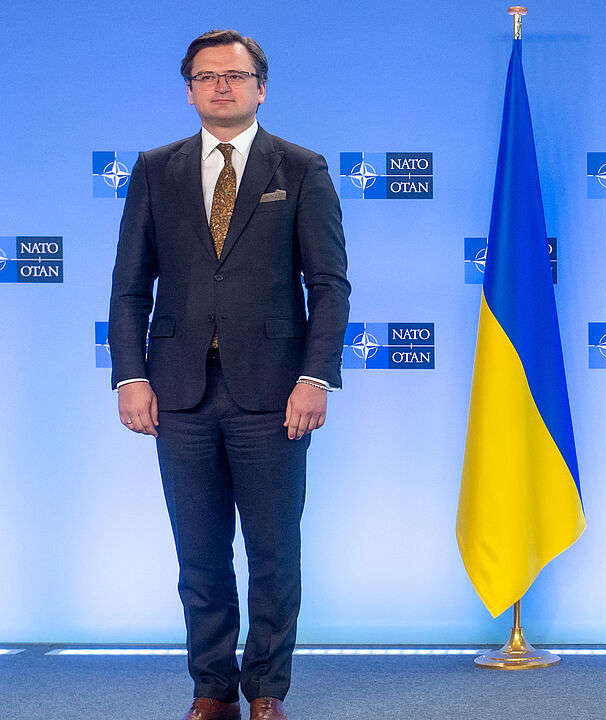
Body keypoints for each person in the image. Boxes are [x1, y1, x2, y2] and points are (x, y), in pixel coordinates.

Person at [108, 29, 351, 720]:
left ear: (260, 87)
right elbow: (130, 286)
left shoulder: (301, 168)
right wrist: (131, 375)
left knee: (274, 553)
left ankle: (266, 690)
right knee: (200, 556)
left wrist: (316, 377)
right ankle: (211, 690)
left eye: (235, 76)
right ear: (189, 89)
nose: (222, 86)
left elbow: (329, 286)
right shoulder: (155, 169)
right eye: (207, 76)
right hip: (178, 392)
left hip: (274, 394)